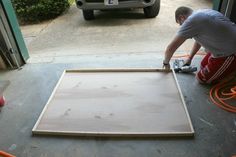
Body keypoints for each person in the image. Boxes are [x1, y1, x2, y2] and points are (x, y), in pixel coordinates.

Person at [163, 6, 236, 84]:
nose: (182, 26)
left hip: (230, 53)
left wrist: (166, 64)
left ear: (182, 18)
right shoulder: (202, 13)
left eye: (181, 24)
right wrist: (190, 58)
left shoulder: (191, 21)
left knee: (201, 78)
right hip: (223, 46)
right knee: (202, 66)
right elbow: (198, 40)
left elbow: (171, 48)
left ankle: (232, 73)